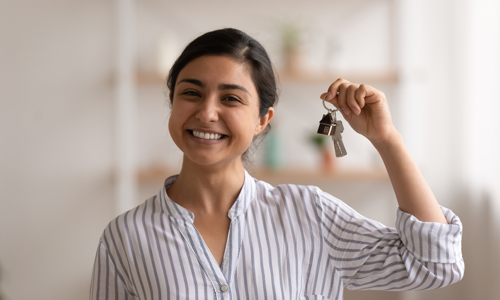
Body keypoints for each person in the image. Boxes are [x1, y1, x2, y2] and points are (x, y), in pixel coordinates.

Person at [90, 28, 464, 300]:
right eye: (191, 93)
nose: (206, 113)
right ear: (173, 105)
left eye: (231, 99)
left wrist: (387, 139)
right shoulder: (125, 237)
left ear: (262, 120)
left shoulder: (309, 213)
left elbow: (437, 264)